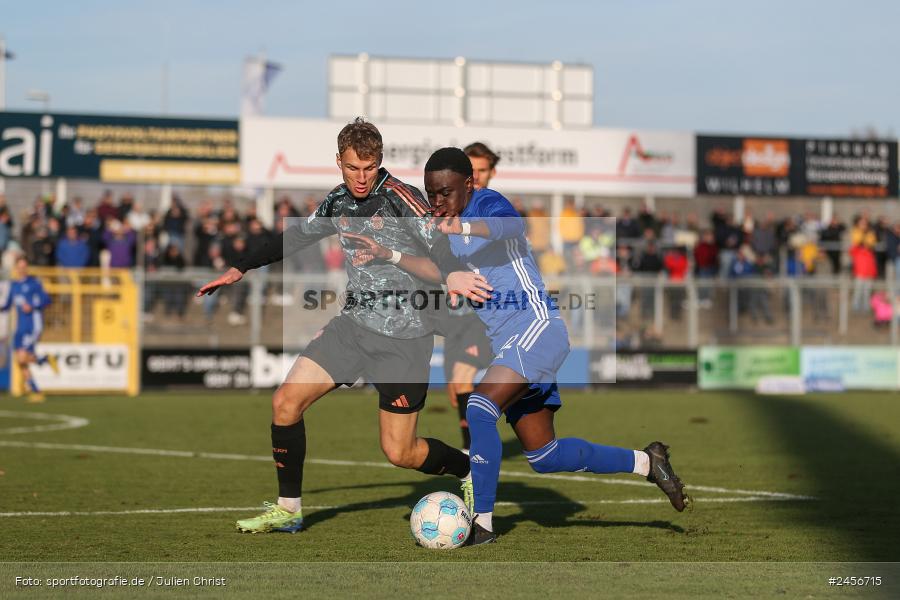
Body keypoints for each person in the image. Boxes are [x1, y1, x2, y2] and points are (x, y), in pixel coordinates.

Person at [352, 148, 690, 545]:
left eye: (446, 192)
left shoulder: (487, 204)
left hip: (538, 327)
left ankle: (484, 524)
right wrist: (389, 254)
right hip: (509, 343)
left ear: (469, 185)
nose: (438, 201)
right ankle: (647, 462)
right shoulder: (443, 226)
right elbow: (439, 271)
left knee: (479, 407)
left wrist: (458, 227)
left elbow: (510, 227)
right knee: (544, 456)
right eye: (432, 193)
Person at [197, 119, 482, 534]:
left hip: (405, 338)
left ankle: (469, 470)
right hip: (352, 327)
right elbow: (296, 237)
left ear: (379, 161)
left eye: (369, 168)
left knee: (400, 451)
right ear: (339, 162)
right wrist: (240, 267)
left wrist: (453, 272)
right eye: (352, 168)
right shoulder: (337, 202)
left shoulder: (402, 198)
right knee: (284, 404)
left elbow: (438, 242)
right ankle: (289, 509)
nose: (361, 178)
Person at [1, 256, 59, 402]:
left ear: (27, 268)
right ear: (16, 268)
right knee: (20, 361)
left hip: (32, 325)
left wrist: (32, 306)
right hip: (20, 327)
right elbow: (8, 304)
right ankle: (37, 391)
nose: (21, 269)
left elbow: (47, 300)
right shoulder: (13, 285)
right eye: (19, 267)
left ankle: (45, 359)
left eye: (24, 266)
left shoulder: (34, 283)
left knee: (22, 357)